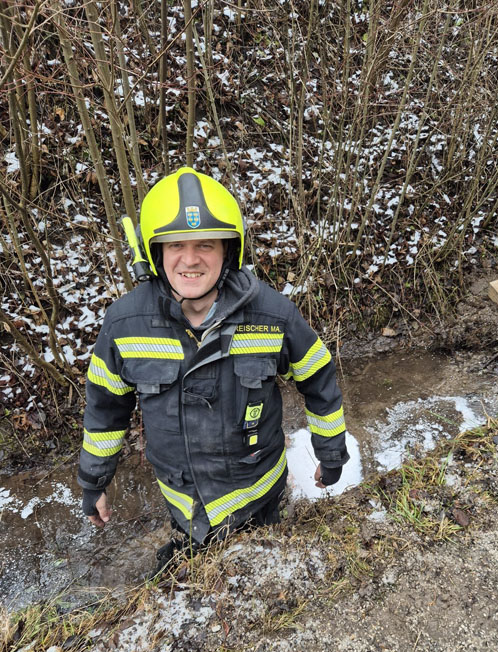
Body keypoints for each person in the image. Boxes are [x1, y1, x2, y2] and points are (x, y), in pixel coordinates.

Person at [78, 167, 349, 568]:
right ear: (155, 254)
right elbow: (105, 409)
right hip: (183, 501)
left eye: (205, 244)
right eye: (175, 246)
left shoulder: (272, 315)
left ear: (228, 251)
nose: (190, 260)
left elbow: (318, 379)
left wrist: (331, 455)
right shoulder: (124, 325)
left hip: (259, 497)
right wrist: (94, 482)